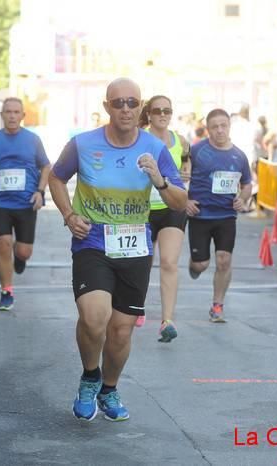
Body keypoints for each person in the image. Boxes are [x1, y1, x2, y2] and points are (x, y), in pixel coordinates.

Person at [48, 78, 187, 422]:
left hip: (134, 244)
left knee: (122, 329)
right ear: (107, 106)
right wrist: (68, 215)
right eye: (118, 102)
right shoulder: (82, 144)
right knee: (94, 317)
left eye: (132, 102)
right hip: (92, 240)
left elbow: (180, 201)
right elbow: (56, 178)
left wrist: (159, 179)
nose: (126, 108)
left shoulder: (155, 148)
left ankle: (109, 388)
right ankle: (89, 376)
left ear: (140, 107)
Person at [0, 97, 50, 311]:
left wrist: (40, 192)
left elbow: (46, 167)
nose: (12, 115)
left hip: (26, 203)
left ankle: (20, 256)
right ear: (2, 115)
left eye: (16, 112)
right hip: (1, 203)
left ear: (23, 116)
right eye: (8, 112)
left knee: (23, 252)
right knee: (3, 244)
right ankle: (6, 292)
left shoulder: (33, 140)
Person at [186, 108, 252, 323]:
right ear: (208, 129)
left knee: (224, 260)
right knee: (201, 265)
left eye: (223, 125)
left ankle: (217, 306)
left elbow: (247, 184)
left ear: (229, 126)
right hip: (200, 215)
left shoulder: (239, 156)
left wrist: (242, 198)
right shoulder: (196, 151)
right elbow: (179, 176)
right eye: (215, 127)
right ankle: (194, 264)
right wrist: (185, 201)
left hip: (226, 216)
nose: (220, 130)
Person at [137, 95, 191, 342]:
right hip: (143, 209)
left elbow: (187, 168)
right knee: (142, 263)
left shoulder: (180, 141)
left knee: (169, 262)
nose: (162, 114)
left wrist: (188, 191)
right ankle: (136, 305)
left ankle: (167, 321)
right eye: (157, 110)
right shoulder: (138, 139)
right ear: (148, 114)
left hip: (172, 207)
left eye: (167, 110)